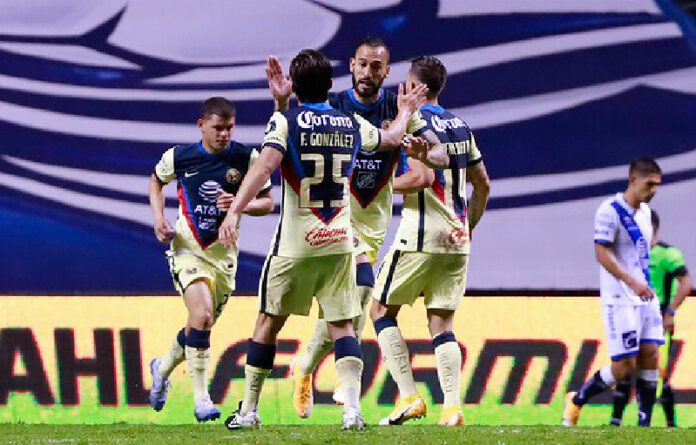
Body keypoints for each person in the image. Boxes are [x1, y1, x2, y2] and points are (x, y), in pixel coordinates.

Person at [218, 49, 431, 431]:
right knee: (344, 326)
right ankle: (352, 410)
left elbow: (266, 164)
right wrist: (404, 111)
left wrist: (234, 210)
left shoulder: (285, 121)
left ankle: (249, 409)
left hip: (295, 244)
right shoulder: (350, 124)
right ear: (331, 84)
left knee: (268, 321)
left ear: (295, 86)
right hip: (338, 241)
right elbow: (393, 137)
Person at [266, 36, 441, 419]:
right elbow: (294, 132)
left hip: (373, 222)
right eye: (362, 64)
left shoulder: (399, 109)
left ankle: (306, 367)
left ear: (386, 71)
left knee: (352, 307)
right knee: (361, 290)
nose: (367, 72)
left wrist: (425, 155)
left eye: (376, 67)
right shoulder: (335, 106)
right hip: (333, 220)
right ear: (351, 65)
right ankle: (345, 387)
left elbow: (429, 171)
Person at [369, 56, 491, 427]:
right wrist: (467, 226)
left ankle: (408, 395)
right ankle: (452, 408)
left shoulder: (416, 119)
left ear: (417, 86)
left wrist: (377, 189)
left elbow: (426, 167)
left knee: (379, 311)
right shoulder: (462, 125)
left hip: (422, 233)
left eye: (406, 81)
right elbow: (483, 184)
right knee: (442, 323)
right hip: (457, 238)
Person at [147, 97, 274, 422]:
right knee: (202, 314)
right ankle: (202, 398)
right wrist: (159, 218)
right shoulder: (180, 156)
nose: (224, 135)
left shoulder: (247, 158)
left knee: (199, 323)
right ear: (201, 125)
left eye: (229, 128)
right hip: (187, 249)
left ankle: (161, 369)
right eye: (218, 128)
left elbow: (267, 203)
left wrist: (238, 205)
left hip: (224, 259)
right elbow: (157, 182)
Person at [563, 157, 663, 427]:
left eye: (657, 185)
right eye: (649, 184)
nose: (653, 190)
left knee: (651, 355)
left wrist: (645, 285)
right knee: (624, 367)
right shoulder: (609, 210)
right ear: (633, 180)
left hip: (645, 295)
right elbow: (601, 252)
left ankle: (645, 425)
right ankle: (577, 400)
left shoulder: (645, 214)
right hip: (620, 298)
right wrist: (631, 282)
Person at [610, 210, 691, 427]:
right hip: (632, 319)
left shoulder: (667, 254)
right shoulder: (632, 255)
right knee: (626, 368)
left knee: (657, 372)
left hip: (657, 323)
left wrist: (670, 313)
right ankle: (615, 422)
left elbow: (686, 283)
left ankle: (668, 425)